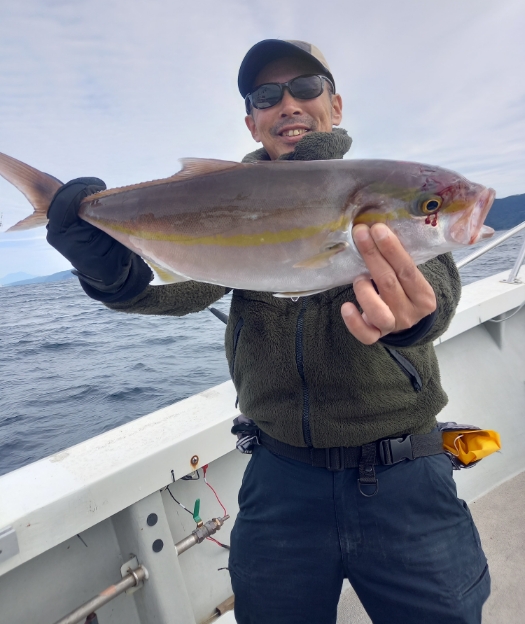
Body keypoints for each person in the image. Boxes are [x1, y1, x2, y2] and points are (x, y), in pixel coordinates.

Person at [46, 39, 490, 624]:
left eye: (306, 87)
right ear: (252, 121)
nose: (289, 103)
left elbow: (435, 285)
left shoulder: (382, 190)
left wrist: (416, 319)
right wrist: (111, 275)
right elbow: (178, 287)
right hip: (281, 482)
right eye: (266, 95)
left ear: (335, 104)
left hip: (404, 474)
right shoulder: (223, 201)